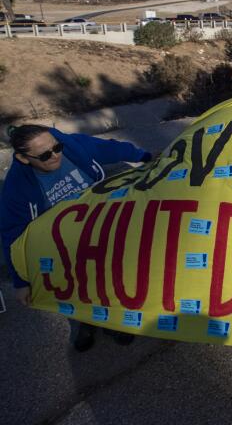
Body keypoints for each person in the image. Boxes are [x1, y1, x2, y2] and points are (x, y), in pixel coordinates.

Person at [1, 125, 153, 351]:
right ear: (24, 159)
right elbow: (11, 234)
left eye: (57, 147)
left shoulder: (72, 147)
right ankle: (84, 323)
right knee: (74, 286)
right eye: (45, 155)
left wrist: (144, 156)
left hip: (100, 228)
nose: (55, 156)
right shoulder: (17, 189)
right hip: (62, 244)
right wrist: (21, 282)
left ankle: (114, 323)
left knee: (109, 279)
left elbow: (107, 148)